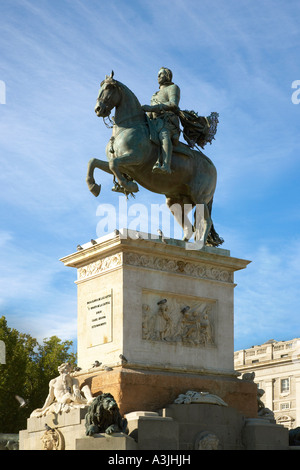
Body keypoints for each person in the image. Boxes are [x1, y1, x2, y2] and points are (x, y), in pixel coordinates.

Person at [142, 67, 180, 174]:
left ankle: (166, 165)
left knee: (163, 134)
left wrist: (152, 108)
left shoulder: (173, 88)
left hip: (168, 121)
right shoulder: (155, 95)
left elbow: (173, 104)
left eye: (161, 74)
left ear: (167, 76)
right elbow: (150, 112)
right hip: (154, 121)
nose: (158, 76)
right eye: (158, 74)